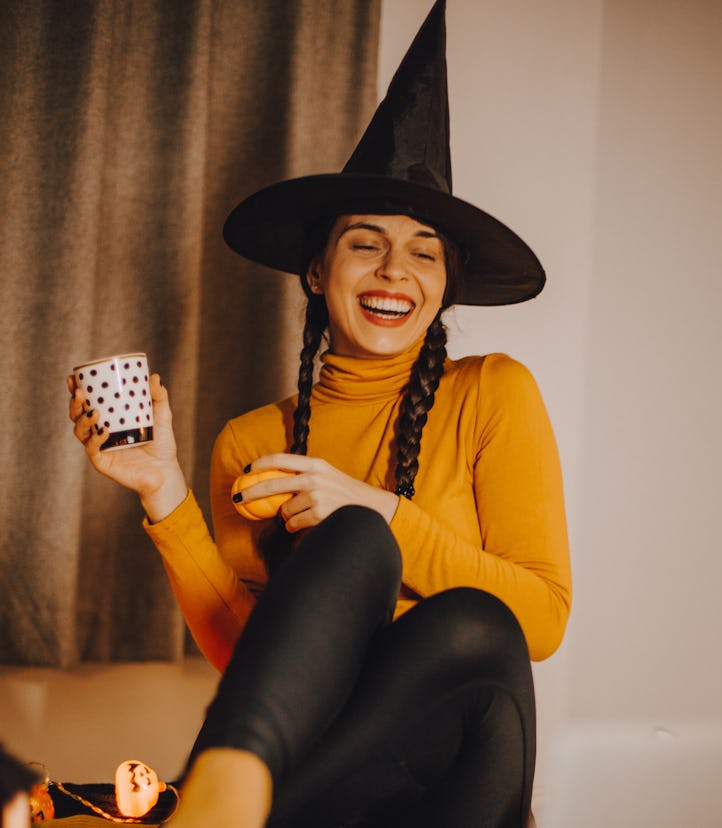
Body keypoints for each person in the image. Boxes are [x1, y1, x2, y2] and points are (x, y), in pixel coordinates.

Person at [68, 3, 570, 826]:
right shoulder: (253, 442)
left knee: (474, 624)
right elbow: (255, 663)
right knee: (355, 544)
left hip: (462, 770)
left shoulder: (494, 392)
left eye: (424, 252)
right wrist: (163, 495)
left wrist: (375, 506)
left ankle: (196, 809)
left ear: (444, 286)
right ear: (316, 269)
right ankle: (219, 804)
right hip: (326, 790)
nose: (395, 270)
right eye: (366, 242)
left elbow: (541, 622)